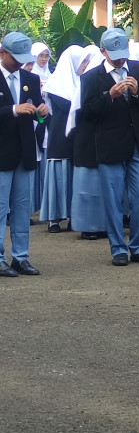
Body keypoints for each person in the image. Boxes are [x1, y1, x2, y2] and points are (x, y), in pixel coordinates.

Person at [79, 28, 139, 266]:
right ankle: (118, 249)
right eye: (113, 53)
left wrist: (137, 92)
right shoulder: (91, 77)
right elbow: (87, 113)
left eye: (122, 52)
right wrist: (109, 97)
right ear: (103, 51)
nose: (119, 58)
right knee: (113, 201)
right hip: (110, 145)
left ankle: (138, 245)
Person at [0, 32, 48, 276]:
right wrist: (13, 110)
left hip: (25, 151)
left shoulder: (30, 77)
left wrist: (43, 111)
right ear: (2, 53)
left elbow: (38, 114)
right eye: (15, 57)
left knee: (22, 207)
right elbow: (14, 110)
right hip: (2, 153)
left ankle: (20, 256)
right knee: (0, 207)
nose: (20, 63)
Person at [39, 45, 85, 233]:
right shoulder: (55, 84)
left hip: (76, 136)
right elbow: (69, 106)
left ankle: (74, 216)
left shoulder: (81, 82)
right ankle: (54, 218)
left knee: (75, 178)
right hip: (59, 136)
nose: (84, 66)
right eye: (82, 62)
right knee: (59, 176)